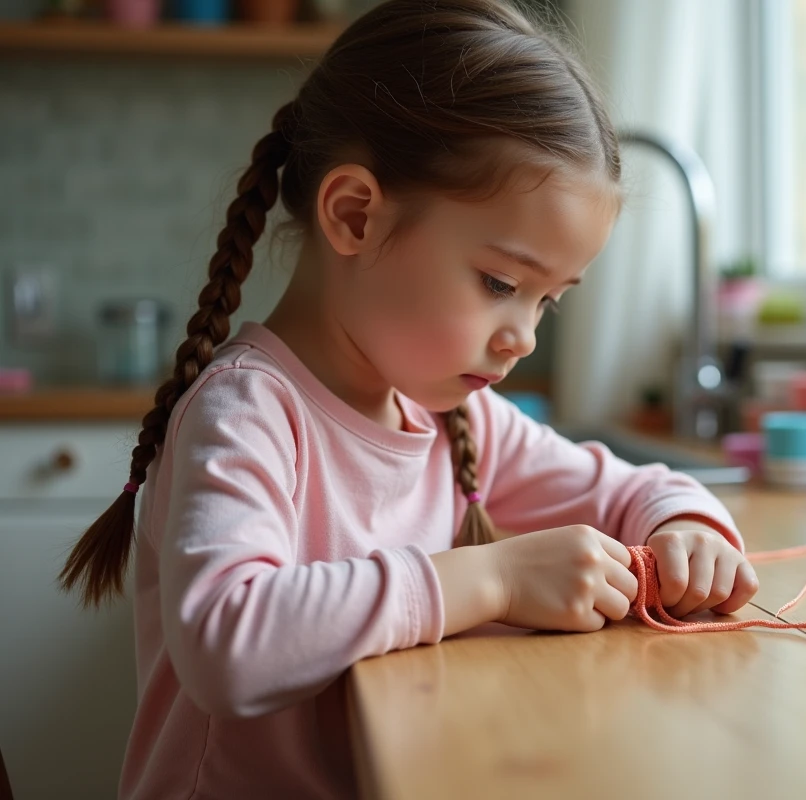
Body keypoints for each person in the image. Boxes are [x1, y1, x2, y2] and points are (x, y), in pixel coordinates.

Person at [60, 1, 758, 796]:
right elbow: (226, 644)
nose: (523, 336)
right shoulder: (247, 414)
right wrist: (490, 580)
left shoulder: (453, 419)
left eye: (547, 300)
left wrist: (687, 526)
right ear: (355, 216)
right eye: (500, 283)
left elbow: (631, 488)